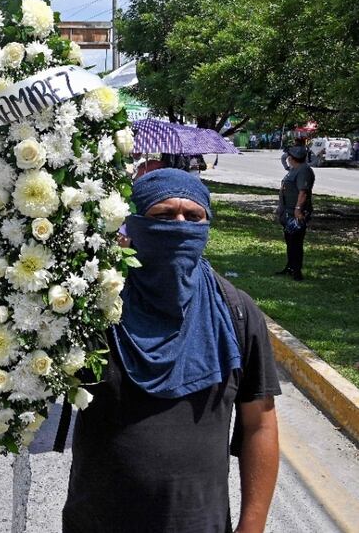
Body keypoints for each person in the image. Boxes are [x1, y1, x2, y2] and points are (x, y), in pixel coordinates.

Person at [63, 169, 281, 533]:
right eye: (163, 216)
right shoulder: (94, 306)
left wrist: (252, 526)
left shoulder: (236, 313)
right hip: (98, 521)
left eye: (193, 217)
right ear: (132, 225)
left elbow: (260, 424)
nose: (180, 226)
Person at [275, 145, 315, 281]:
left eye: (289, 156)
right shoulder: (294, 169)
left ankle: (297, 271)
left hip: (295, 213)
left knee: (296, 242)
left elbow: (303, 193)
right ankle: (290, 266)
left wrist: (298, 210)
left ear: (293, 157)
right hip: (287, 212)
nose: (287, 158)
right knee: (289, 240)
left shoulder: (304, 170)